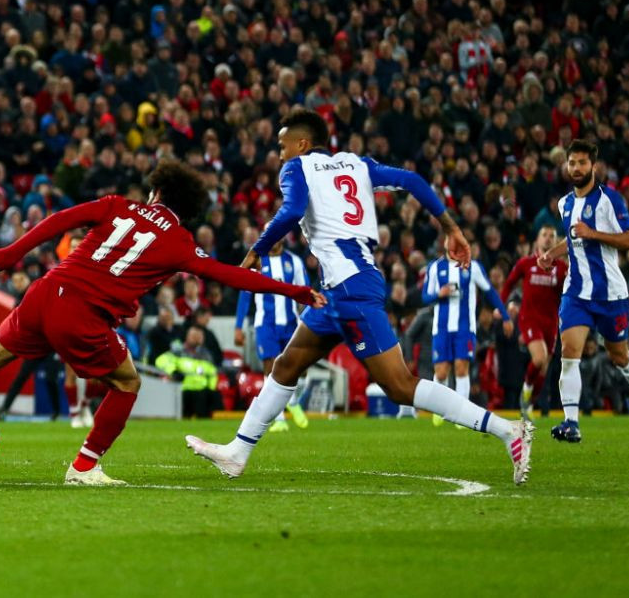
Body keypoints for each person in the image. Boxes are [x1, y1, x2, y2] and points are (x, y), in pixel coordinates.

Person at [0, 159, 323, 486]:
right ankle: (84, 465)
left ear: (155, 191)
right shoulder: (179, 242)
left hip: (45, 291)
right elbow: (231, 275)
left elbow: (61, 220)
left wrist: (12, 253)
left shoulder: (119, 205)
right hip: (81, 313)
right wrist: (295, 291)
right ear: (188, 209)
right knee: (127, 382)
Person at [185, 110, 533, 486]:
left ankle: (506, 430)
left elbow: (292, 211)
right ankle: (238, 452)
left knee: (399, 386)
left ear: (302, 144)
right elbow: (412, 180)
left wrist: (257, 249)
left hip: (350, 289)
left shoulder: (297, 168)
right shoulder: (356, 164)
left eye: (283, 146)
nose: (280, 154)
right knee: (286, 366)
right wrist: (450, 227)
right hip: (342, 288)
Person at [537, 140, 629, 442]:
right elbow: (573, 239)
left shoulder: (610, 200)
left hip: (610, 295)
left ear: (593, 165)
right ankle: (571, 422)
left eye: (582, 163)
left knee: (619, 355)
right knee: (569, 352)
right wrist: (552, 253)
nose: (576, 168)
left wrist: (594, 233)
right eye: (572, 163)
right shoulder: (565, 204)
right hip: (576, 292)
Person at [422, 249, 512, 426]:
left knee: (461, 368)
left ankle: (461, 416)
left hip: (465, 327)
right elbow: (425, 297)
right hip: (441, 328)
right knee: (441, 371)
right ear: (446, 242)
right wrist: (439, 294)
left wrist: (505, 315)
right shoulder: (434, 267)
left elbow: (490, 291)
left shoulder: (473, 267)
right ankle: (439, 410)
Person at [234, 240, 310, 432]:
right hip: (265, 323)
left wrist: (309, 320)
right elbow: (245, 294)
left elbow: (306, 292)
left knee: (300, 368)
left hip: (291, 323)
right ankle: (280, 419)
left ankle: (292, 401)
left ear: (282, 238)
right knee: (270, 366)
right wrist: (238, 326)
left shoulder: (294, 261)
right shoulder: (257, 261)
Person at [500, 225, 568, 420]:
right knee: (539, 359)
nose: (547, 239)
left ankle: (528, 403)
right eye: (544, 235)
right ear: (537, 241)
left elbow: (567, 294)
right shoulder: (526, 263)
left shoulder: (561, 268)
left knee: (543, 370)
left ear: (557, 242)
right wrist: (502, 307)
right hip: (529, 318)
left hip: (551, 322)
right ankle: (526, 391)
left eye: (552, 236)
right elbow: (509, 283)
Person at [156, 325, 220, 418]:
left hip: (202, 393)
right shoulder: (178, 351)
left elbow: (212, 373)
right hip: (182, 391)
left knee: (212, 399)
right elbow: (161, 360)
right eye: (194, 336)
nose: (197, 339)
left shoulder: (206, 354)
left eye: (199, 337)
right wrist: (173, 372)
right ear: (187, 337)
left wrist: (211, 388)